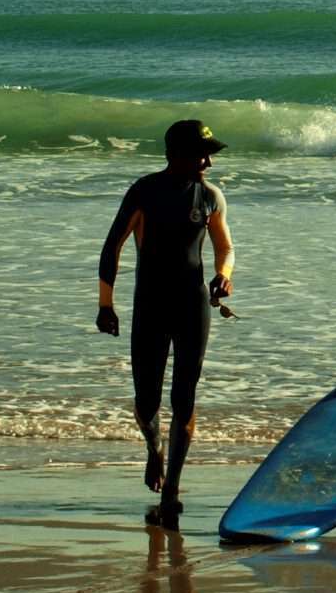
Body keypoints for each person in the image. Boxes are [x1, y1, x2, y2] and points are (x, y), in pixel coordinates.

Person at [97, 119, 237, 531]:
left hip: (194, 305)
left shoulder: (210, 197)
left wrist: (224, 274)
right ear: (175, 155)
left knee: (185, 397)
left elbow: (225, 246)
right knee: (145, 402)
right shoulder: (145, 192)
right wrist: (106, 305)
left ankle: (173, 490)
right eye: (201, 154)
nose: (209, 162)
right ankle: (154, 448)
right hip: (150, 306)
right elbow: (112, 246)